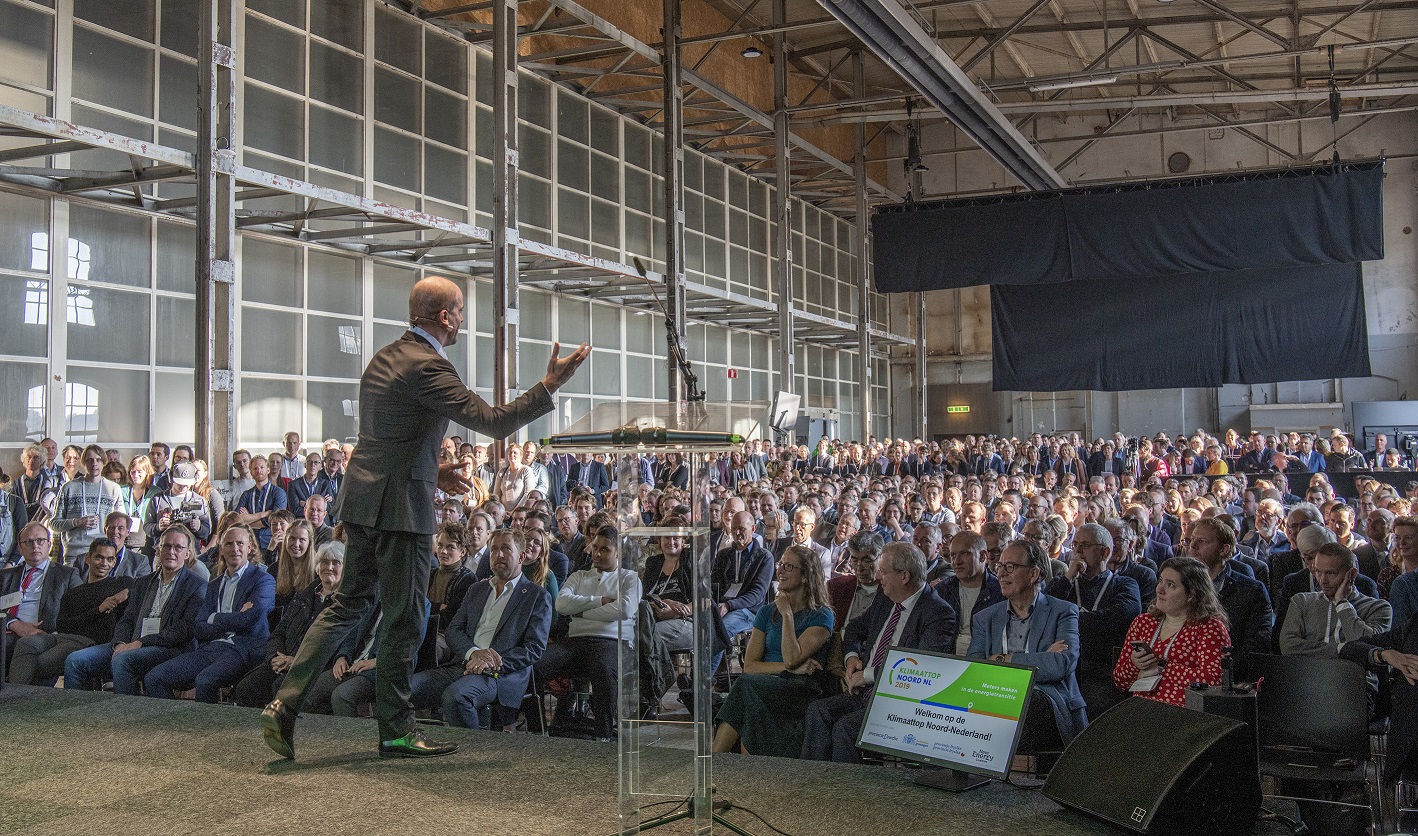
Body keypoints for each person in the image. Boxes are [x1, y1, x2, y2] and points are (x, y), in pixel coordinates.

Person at [263, 276, 586, 759]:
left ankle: (284, 704)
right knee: (407, 616)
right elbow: (494, 422)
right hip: (401, 509)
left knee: (347, 605)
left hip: (364, 501)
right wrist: (549, 385)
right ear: (444, 317)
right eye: (458, 310)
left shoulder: (385, 358)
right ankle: (396, 729)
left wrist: (431, 470)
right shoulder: (430, 367)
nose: (461, 318)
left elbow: (387, 438)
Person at [800, 542, 957, 762]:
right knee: (818, 711)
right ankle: (813, 782)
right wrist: (851, 657)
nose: (878, 577)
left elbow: (922, 668)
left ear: (904, 576)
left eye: (883, 572)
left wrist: (866, 675)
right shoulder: (886, 598)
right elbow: (854, 627)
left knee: (845, 728)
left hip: (901, 701)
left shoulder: (938, 613)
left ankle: (844, 793)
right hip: (864, 693)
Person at [410, 529, 552, 729]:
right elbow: (453, 630)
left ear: (521, 556)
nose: (498, 555)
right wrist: (474, 654)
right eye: (494, 549)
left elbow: (533, 649)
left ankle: (474, 753)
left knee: (456, 697)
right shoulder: (477, 589)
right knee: (406, 687)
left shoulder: (536, 596)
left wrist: (489, 663)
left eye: (505, 549)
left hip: (500, 674)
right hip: (463, 664)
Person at [712, 544, 836, 757]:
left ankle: (713, 762)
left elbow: (792, 657)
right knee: (749, 689)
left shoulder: (822, 616)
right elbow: (750, 666)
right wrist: (790, 669)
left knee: (747, 688)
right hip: (769, 681)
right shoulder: (766, 612)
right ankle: (723, 764)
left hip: (800, 689)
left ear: (806, 576)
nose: (780, 570)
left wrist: (787, 615)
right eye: (781, 564)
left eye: (789, 567)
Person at [967, 538, 1088, 747]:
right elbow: (976, 669)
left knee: (1028, 701)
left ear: (1033, 574)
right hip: (996, 698)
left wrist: (1004, 659)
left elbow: (1061, 664)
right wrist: (1041, 657)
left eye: (1011, 567)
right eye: (999, 567)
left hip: (1048, 703)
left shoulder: (1063, 611)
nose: (1001, 574)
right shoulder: (984, 618)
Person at [63, 525, 205, 694]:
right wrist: (120, 643)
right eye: (166, 546)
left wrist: (141, 643)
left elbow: (184, 630)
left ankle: (128, 716)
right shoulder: (143, 583)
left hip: (169, 648)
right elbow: (127, 619)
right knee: (75, 660)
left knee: (123, 660)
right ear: (158, 550)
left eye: (178, 547)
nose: (171, 552)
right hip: (132, 643)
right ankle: (78, 717)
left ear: (187, 553)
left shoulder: (197, 586)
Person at [144, 524, 275, 703]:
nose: (234, 549)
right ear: (221, 549)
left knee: (205, 680)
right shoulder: (214, 584)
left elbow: (249, 619)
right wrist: (232, 618)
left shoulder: (263, 580)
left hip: (244, 649)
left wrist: (214, 618)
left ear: (249, 547)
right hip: (212, 648)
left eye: (240, 544)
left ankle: (208, 730)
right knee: (155, 678)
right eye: (229, 544)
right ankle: (173, 725)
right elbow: (198, 627)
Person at [533, 524, 640, 740]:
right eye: (595, 548)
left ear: (617, 552)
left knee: (604, 670)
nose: (597, 554)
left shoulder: (629, 578)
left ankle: (604, 735)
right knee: (535, 665)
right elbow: (562, 605)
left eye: (605, 549)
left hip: (612, 641)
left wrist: (581, 613)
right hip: (576, 642)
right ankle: (538, 730)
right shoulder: (579, 576)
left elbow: (625, 609)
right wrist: (599, 601)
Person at [1045, 523, 1143, 716]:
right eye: (1075, 545)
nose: (1078, 551)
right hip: (1064, 668)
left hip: (1102, 671)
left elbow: (1119, 618)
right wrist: (1068, 577)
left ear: (1105, 552)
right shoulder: (1064, 584)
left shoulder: (1124, 584)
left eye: (1085, 545)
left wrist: (1068, 621)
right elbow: (1046, 614)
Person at [234, 542, 345, 708]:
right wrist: (274, 657)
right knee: (247, 687)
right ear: (317, 566)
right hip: (283, 660)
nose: (329, 567)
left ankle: (278, 732)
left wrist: (296, 661)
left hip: (313, 666)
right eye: (324, 562)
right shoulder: (305, 595)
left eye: (336, 563)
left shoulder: (343, 603)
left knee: (280, 687)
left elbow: (335, 644)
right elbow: (279, 632)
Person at [7, 538, 130, 685]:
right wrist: (98, 610)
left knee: (39, 662)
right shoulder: (73, 593)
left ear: (114, 562)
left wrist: (125, 593)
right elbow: (63, 626)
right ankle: (15, 695)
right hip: (64, 637)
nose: (104, 563)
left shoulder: (121, 583)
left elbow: (140, 588)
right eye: (99, 557)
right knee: (26, 643)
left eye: (110, 559)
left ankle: (16, 696)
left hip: (92, 642)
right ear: (88, 558)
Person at [1112, 556, 1232, 707]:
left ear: (1191, 594)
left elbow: (1214, 680)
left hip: (1186, 716)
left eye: (1171, 585)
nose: (1159, 589)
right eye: (1160, 581)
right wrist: (1134, 664)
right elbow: (1120, 682)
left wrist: (1162, 669)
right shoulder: (1143, 622)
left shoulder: (1209, 627)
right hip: (1142, 711)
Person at [1279, 542, 1390, 658]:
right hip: (1308, 674)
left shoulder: (1378, 608)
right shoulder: (1301, 602)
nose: (1322, 580)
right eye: (1318, 572)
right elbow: (1288, 647)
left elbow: (1369, 647)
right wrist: (1343, 649)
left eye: (1331, 573)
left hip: (1354, 675)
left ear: (1352, 574)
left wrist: (1342, 604)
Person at [2, 522, 83, 672]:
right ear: (19, 547)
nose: (35, 546)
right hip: (8, 630)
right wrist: (14, 624)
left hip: (44, 633)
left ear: (49, 544)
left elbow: (80, 609)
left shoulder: (67, 575)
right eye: (28, 542)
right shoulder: (5, 576)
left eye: (40, 541)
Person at [50, 444, 124, 560]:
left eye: (98, 460)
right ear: (83, 462)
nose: (94, 464)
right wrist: (76, 522)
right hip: (74, 554)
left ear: (104, 462)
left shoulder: (113, 489)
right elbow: (54, 524)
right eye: (90, 460)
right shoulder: (69, 487)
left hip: (103, 555)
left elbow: (121, 525)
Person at [641, 515, 694, 655]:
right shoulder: (653, 563)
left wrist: (673, 612)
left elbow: (705, 600)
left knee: (647, 637)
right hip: (653, 618)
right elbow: (644, 598)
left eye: (676, 538)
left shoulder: (691, 561)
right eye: (666, 537)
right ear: (659, 540)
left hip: (686, 621)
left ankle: (657, 676)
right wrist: (665, 602)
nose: (671, 542)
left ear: (683, 541)